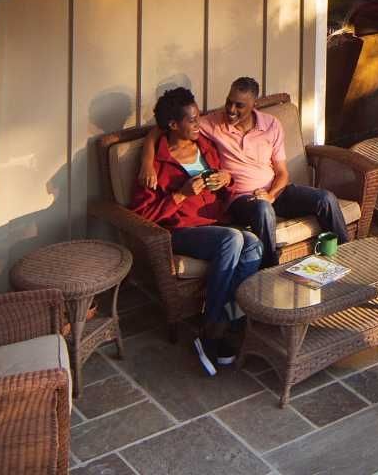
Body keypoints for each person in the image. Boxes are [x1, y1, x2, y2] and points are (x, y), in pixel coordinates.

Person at [140, 77, 351, 264]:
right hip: (242, 199)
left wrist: (270, 195)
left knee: (326, 198)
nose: (231, 110)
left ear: (254, 105)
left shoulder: (271, 125)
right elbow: (163, 127)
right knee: (262, 209)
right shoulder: (211, 123)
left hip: (274, 191)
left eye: (239, 106)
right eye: (229, 102)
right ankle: (269, 268)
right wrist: (147, 162)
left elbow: (282, 173)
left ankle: (347, 256)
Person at [128, 86, 263, 376]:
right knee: (233, 238)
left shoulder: (206, 147)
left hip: (214, 225)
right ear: (173, 125)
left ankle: (228, 319)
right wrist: (180, 195)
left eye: (199, 117)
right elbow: (142, 217)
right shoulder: (155, 166)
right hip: (179, 232)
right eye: (192, 120)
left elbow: (227, 190)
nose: (198, 124)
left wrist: (225, 180)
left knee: (253, 243)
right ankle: (211, 327)